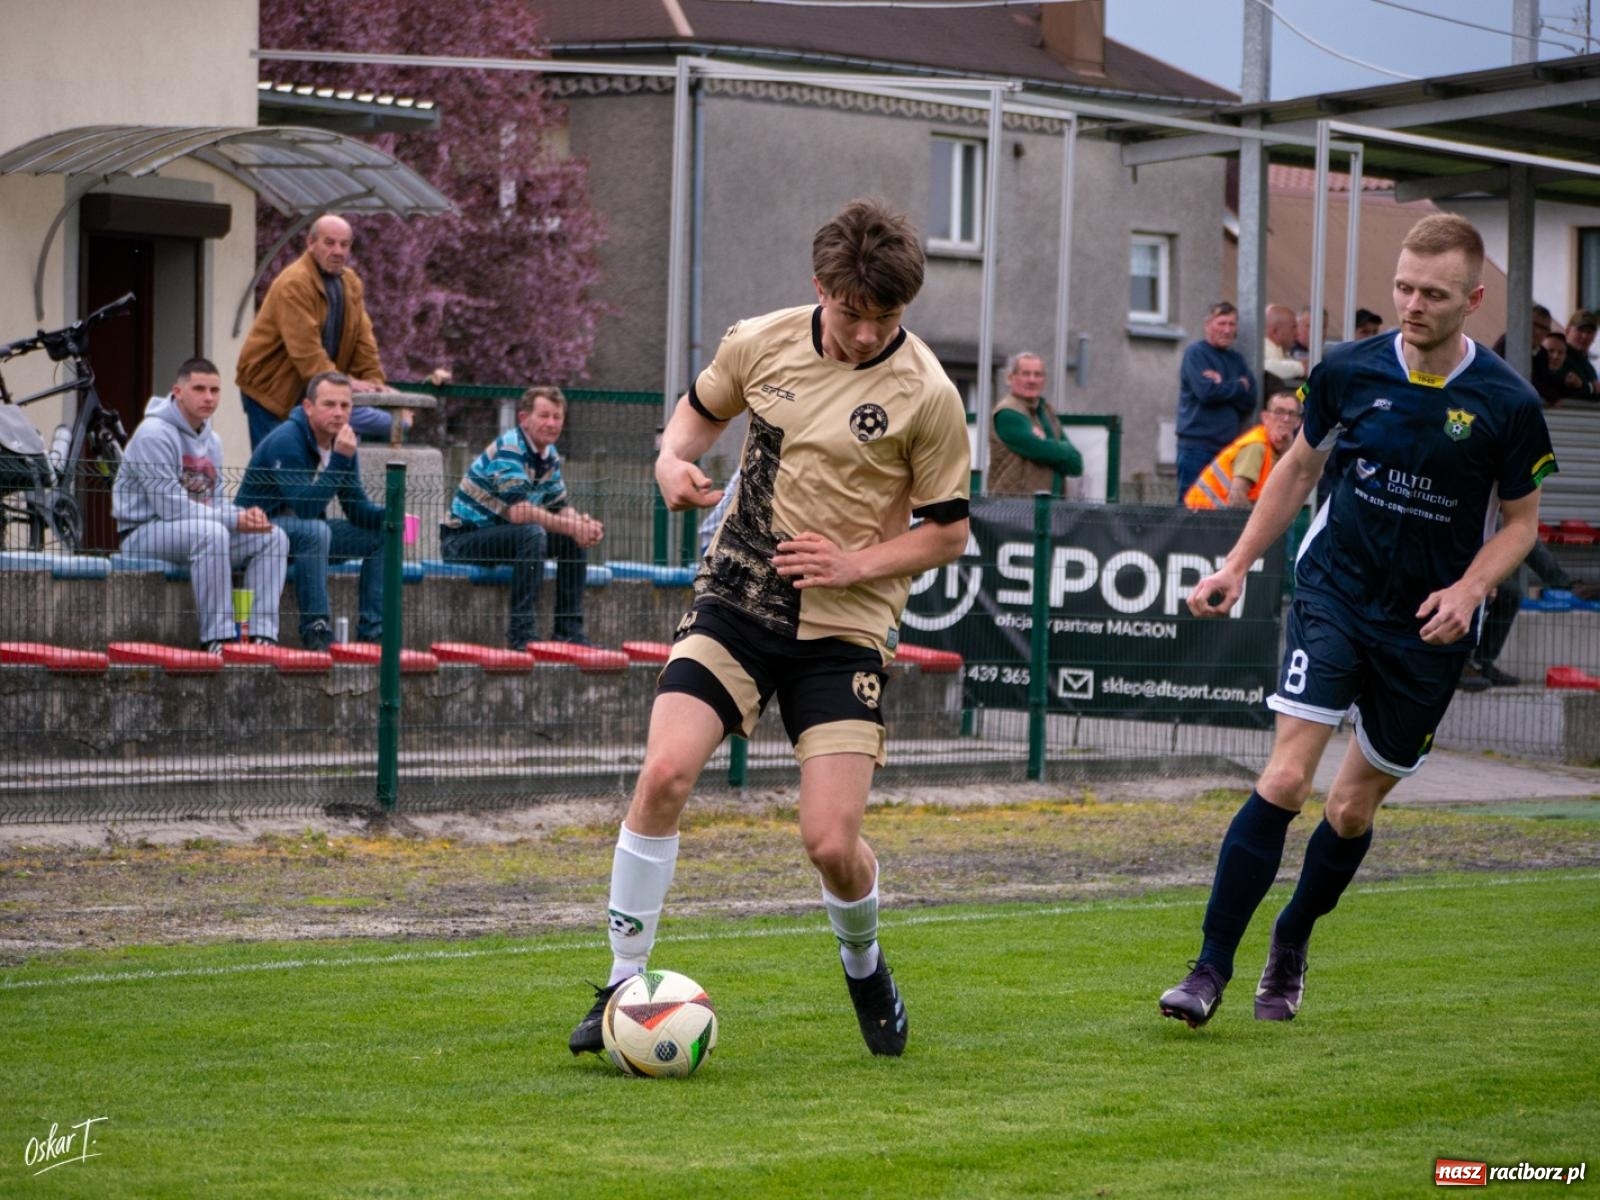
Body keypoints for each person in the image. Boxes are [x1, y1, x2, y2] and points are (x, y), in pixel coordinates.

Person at [566, 198, 971, 1060]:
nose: (867, 335)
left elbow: (948, 530)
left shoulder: (928, 396)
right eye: (854, 313)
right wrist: (673, 461)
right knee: (667, 772)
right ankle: (619, 983)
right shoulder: (761, 340)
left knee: (830, 843)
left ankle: (865, 965)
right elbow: (698, 412)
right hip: (739, 593)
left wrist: (855, 565)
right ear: (819, 287)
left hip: (847, 624)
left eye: (887, 319)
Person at [1161, 214, 1557, 1028]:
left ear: (1474, 299)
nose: (1413, 303)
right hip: (1333, 592)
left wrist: (1471, 589)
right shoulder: (1345, 369)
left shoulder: (1508, 403)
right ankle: (1207, 971)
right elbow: (1299, 467)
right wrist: (1236, 564)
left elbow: (1520, 523)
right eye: (1404, 286)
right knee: (1283, 779)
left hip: (1428, 628)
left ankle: (1294, 937)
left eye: (1434, 293)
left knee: (1349, 812)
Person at [112, 358, 288, 652]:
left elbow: (216, 502)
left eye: (215, 390)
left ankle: (262, 636)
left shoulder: (213, 441)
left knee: (273, 537)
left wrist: (244, 516)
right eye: (199, 389)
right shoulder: (153, 434)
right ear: (178, 392)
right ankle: (218, 638)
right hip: (144, 532)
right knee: (213, 534)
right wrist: (232, 521)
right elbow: (171, 508)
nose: (208, 397)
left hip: (192, 532)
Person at [441, 386, 603, 648]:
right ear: (524, 418)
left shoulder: (549, 455)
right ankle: (522, 635)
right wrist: (571, 526)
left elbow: (559, 505)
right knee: (532, 531)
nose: (551, 423)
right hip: (463, 539)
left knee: (569, 539)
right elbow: (520, 512)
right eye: (544, 415)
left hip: (505, 539)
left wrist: (581, 525)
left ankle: (569, 631)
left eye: (557, 417)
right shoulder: (510, 448)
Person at [236, 372, 386, 653]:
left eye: (345, 406)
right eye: (329, 404)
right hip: (258, 532)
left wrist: (390, 516)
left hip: (305, 539)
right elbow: (305, 506)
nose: (339, 413)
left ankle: (373, 634)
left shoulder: (342, 442)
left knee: (381, 536)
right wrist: (340, 459)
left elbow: (355, 507)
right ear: (308, 407)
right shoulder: (287, 440)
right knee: (315, 531)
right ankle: (316, 628)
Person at [235, 214, 398, 449]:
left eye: (344, 244)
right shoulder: (295, 283)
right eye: (329, 243)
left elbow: (363, 340)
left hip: (316, 390)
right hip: (272, 392)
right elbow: (306, 352)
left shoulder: (350, 283)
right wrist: (346, 384)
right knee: (275, 471)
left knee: (317, 470)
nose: (338, 251)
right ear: (311, 243)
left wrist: (374, 382)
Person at [1460, 542, 1600, 691]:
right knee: (1468, 594)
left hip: (1479, 571)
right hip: (1453, 574)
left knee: (1511, 594)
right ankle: (1461, 665)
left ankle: (1482, 664)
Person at [1177, 301, 1256, 500]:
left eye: (1232, 324)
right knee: (1190, 510)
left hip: (1226, 450)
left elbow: (1250, 399)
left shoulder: (1236, 360)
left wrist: (1222, 386)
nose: (1227, 330)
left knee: (1219, 515)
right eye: (1221, 323)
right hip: (1197, 448)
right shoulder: (1196, 354)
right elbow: (1206, 393)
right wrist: (1238, 386)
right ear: (1208, 325)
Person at [1182, 388, 1302, 511]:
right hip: (1202, 517)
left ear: (1298, 422)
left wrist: (1287, 449)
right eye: (1279, 412)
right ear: (1265, 417)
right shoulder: (1256, 445)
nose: (1286, 419)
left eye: (1291, 414)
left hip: (1213, 516)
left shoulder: (1282, 451)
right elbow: (1237, 497)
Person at [988, 352, 1082, 497]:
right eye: (1025, 374)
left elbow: (1076, 465)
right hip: (1013, 509)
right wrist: (1061, 448)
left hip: (1051, 507)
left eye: (1038, 375)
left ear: (1044, 380)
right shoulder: (1008, 413)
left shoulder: (1046, 412)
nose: (1032, 380)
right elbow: (1040, 450)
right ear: (1011, 378)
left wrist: (1049, 445)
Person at [1555, 309, 1598, 401]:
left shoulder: (1589, 367)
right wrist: (1591, 388)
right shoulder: (1557, 356)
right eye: (1580, 330)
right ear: (1567, 330)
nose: (1584, 336)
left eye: (1589, 332)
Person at [1262, 304, 1304, 383]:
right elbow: (1265, 368)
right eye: (1293, 327)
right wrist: (1302, 367)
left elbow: (1300, 393)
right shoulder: (1260, 353)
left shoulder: (1284, 354)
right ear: (1275, 332)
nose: (1297, 333)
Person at [1531, 330, 1570, 405]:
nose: (1555, 356)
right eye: (1550, 351)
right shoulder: (1531, 375)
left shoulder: (1568, 379)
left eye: (1560, 353)